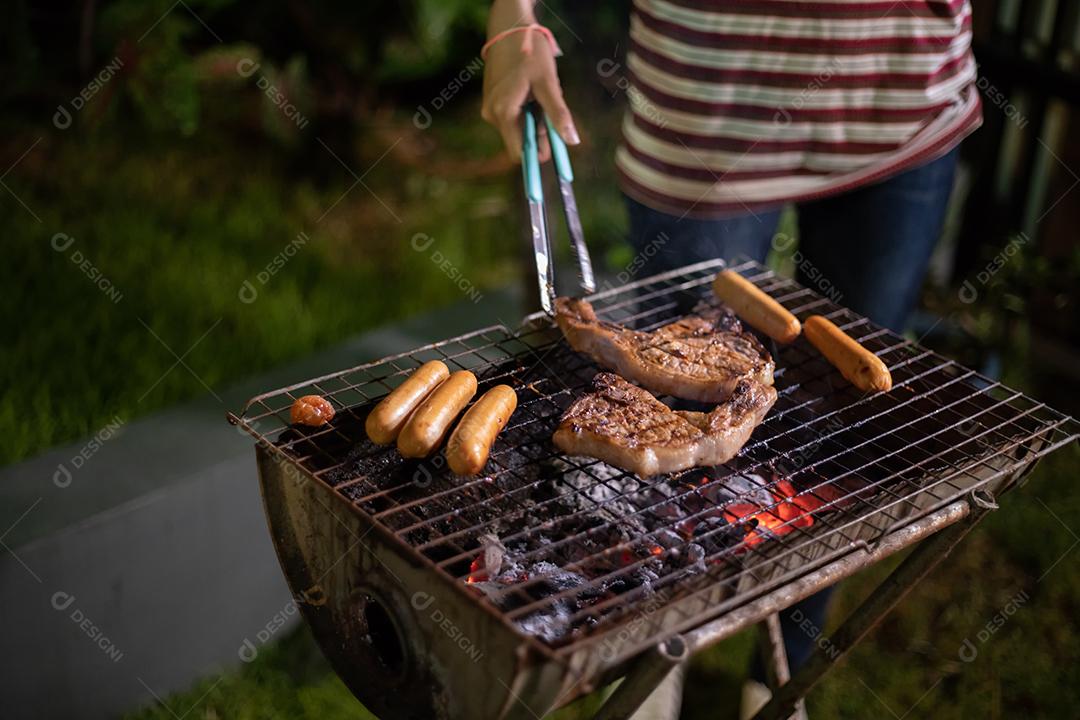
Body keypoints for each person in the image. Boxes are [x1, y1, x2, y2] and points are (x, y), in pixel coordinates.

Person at [481, 0, 980, 715]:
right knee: (646, 422)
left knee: (845, 424)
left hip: (899, 95)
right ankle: (651, 668)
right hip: (708, 94)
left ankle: (781, 680)